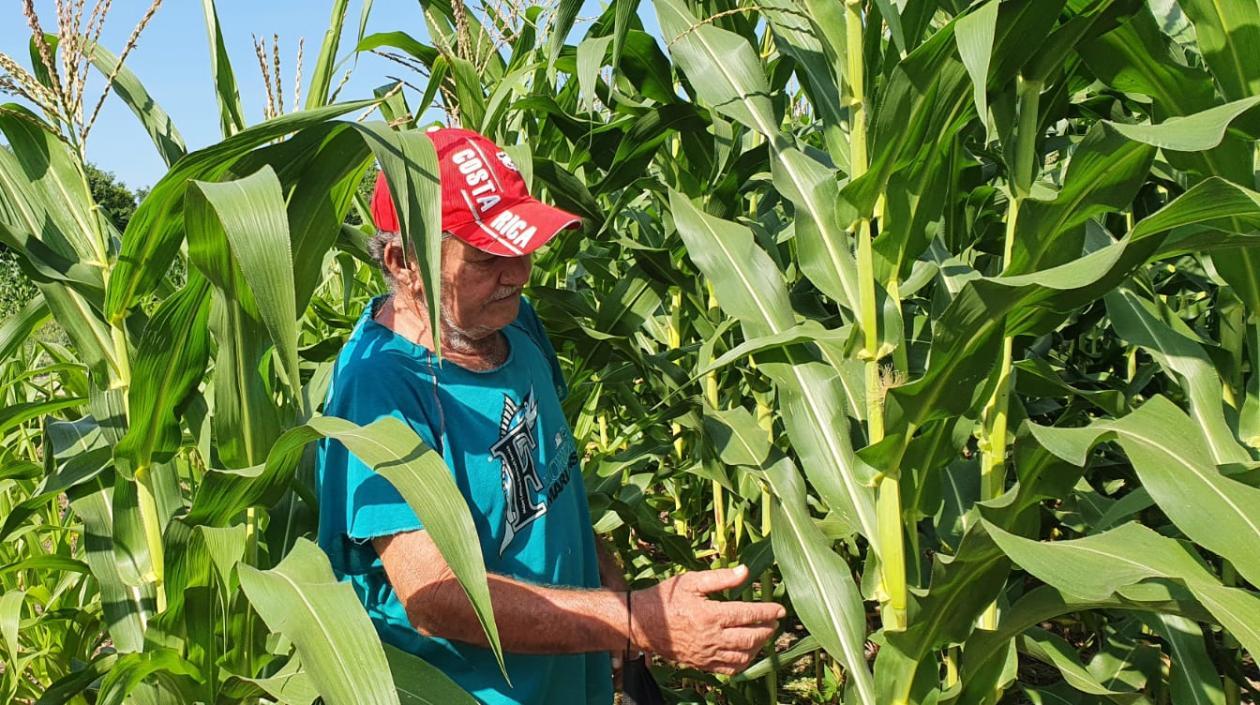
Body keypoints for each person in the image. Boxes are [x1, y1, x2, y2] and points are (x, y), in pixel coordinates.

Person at [315, 126, 784, 705]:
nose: (517, 274)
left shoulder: (513, 320)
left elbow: (546, 474)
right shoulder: (380, 389)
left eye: (523, 249)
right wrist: (637, 619)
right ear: (403, 261)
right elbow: (433, 594)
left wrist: (603, 574)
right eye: (488, 258)